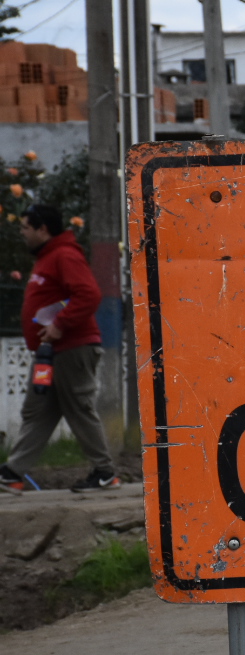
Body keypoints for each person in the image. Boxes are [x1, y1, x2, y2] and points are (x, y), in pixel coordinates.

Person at [0, 205, 121, 493]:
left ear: (43, 229)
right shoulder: (47, 258)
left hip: (72, 349)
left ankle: (105, 473)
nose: (22, 234)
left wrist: (60, 325)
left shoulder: (65, 255)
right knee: (39, 410)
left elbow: (89, 294)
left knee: (79, 408)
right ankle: (12, 473)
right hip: (49, 354)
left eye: (25, 228)